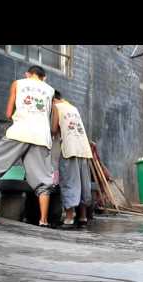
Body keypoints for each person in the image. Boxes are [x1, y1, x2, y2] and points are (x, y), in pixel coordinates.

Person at [0, 66, 55, 227]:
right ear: (44, 78)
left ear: (27, 74)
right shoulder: (50, 90)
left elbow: (8, 113)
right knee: (43, 181)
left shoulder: (18, 83)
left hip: (19, 132)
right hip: (41, 137)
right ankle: (43, 220)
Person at [51, 90, 93, 230]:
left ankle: (69, 218)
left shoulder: (56, 107)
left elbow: (53, 129)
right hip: (83, 149)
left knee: (69, 182)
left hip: (69, 149)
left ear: (53, 100)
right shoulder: (73, 107)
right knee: (82, 183)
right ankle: (82, 217)